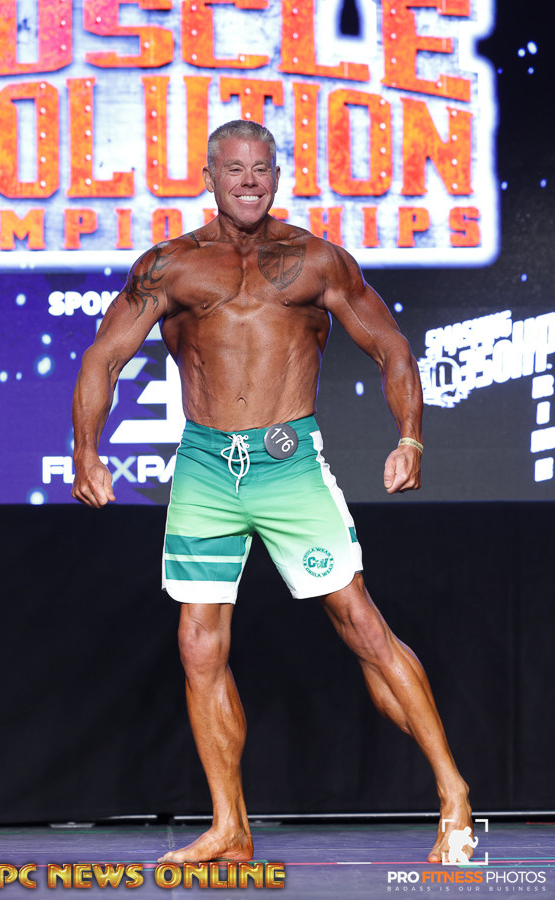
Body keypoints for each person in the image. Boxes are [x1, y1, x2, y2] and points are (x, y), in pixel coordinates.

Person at [72, 119, 473, 865]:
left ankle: (453, 794)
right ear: (210, 177)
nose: (249, 180)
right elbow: (104, 356)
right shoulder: (170, 265)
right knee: (198, 646)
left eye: (261, 168)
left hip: (288, 465)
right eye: (235, 168)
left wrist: (410, 437)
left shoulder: (316, 260)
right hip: (204, 468)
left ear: (277, 176)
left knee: (361, 626)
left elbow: (390, 346)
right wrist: (86, 450)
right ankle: (230, 826)